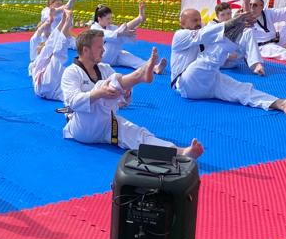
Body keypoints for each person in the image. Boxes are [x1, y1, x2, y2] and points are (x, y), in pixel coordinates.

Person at [60, 29, 203, 158]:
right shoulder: (71, 72)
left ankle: (180, 152)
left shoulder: (104, 68)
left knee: (139, 135)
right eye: (99, 47)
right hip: (83, 127)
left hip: (106, 123)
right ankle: (139, 75)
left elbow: (123, 102)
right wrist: (99, 93)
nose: (104, 50)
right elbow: (73, 102)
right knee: (103, 86)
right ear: (85, 50)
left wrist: (126, 94)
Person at [171, 7, 286, 113]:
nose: (198, 22)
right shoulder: (179, 35)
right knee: (209, 58)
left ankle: (280, 103)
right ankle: (238, 27)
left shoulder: (201, 34)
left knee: (241, 89)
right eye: (194, 20)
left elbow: (216, 39)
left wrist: (238, 25)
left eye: (199, 19)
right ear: (183, 23)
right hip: (186, 84)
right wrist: (234, 22)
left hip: (207, 81)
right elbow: (205, 34)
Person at [91, 1, 166, 73]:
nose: (110, 21)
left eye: (111, 18)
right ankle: (139, 18)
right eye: (108, 19)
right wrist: (122, 33)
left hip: (113, 56)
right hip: (102, 58)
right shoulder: (94, 28)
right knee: (116, 37)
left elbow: (123, 29)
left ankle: (153, 68)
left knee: (132, 59)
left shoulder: (110, 27)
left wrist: (127, 31)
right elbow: (110, 35)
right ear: (99, 19)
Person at [29, 8, 75, 100]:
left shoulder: (40, 63)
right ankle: (66, 22)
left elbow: (51, 42)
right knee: (57, 53)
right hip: (49, 87)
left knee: (52, 49)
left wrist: (63, 20)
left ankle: (66, 22)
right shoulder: (37, 63)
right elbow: (55, 47)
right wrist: (66, 23)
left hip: (44, 87)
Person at [211, 0, 266, 75]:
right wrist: (227, 55)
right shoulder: (212, 26)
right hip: (219, 62)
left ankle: (256, 65)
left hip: (234, 60)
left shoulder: (234, 23)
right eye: (223, 15)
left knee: (248, 32)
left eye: (229, 14)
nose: (226, 17)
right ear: (217, 16)